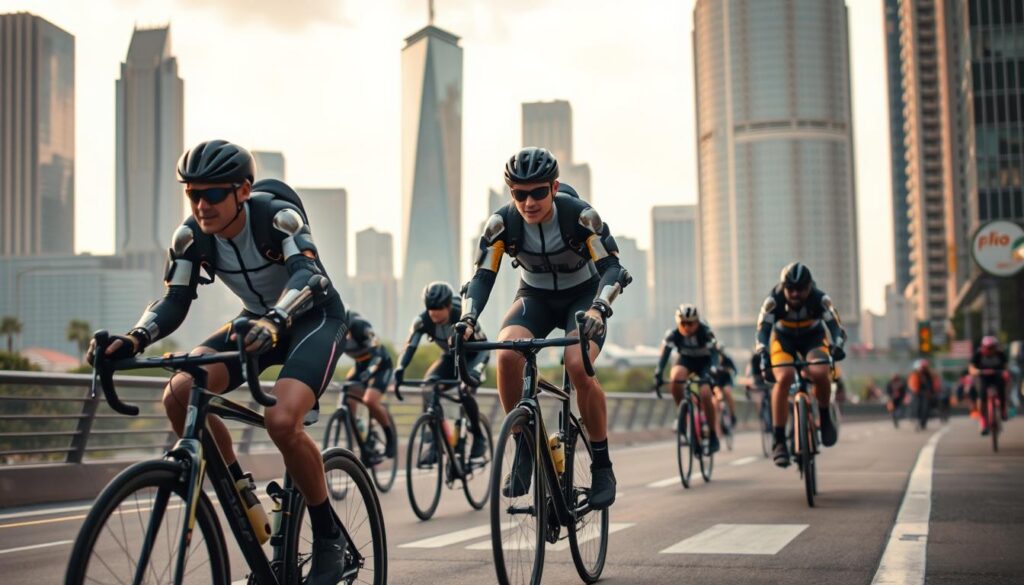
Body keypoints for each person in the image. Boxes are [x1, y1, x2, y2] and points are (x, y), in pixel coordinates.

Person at [87, 140, 350, 585]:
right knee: (179, 393)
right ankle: (239, 491)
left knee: (282, 421)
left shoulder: (278, 219)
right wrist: (135, 338)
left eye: (213, 194)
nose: (202, 204)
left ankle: (328, 535)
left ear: (243, 191)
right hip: (255, 323)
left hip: (313, 319)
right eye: (193, 194)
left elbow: (308, 275)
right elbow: (175, 300)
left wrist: (277, 318)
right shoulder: (191, 237)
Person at [459, 147, 631, 509]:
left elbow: (613, 270)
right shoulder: (501, 225)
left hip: (583, 298)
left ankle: (602, 465)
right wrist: (468, 319)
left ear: (554, 188)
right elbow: (481, 277)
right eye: (519, 194)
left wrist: (600, 308)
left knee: (576, 363)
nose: (529, 202)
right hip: (534, 297)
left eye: (538, 192)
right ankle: (524, 444)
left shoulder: (581, 218)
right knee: (508, 355)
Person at [754, 262, 847, 467]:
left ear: (810, 286)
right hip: (783, 340)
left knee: (820, 371)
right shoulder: (773, 301)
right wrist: (762, 353)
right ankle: (779, 440)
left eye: (801, 289)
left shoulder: (820, 300)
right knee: (784, 377)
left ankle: (824, 415)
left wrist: (838, 344)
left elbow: (835, 327)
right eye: (790, 289)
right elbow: (762, 332)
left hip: (813, 338)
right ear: (783, 287)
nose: (795, 294)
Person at [395, 282, 490, 462]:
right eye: (430, 309)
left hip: (474, 355)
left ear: (448, 306)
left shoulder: (461, 316)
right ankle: (434, 442)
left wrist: (475, 373)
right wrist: (400, 368)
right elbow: (409, 347)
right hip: (449, 355)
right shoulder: (422, 320)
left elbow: (483, 348)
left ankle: (478, 437)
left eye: (439, 308)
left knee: (464, 390)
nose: (434, 314)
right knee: (428, 386)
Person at [653, 304, 723, 453]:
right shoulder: (673, 334)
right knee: (676, 378)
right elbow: (664, 356)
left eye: (690, 323)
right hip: (686, 360)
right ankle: (682, 414)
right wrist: (658, 373)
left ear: (697, 322)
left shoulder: (706, 332)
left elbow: (715, 354)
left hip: (704, 363)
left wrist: (714, 368)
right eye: (683, 323)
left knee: (704, 393)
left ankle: (712, 435)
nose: (686, 327)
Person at [339, 311, 396, 461]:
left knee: (370, 400)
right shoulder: (335, 332)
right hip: (360, 365)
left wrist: (368, 373)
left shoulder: (361, 328)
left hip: (380, 364)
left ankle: (390, 439)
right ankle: (364, 443)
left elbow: (376, 353)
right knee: (348, 402)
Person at [968, 335, 1010, 435]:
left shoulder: (1000, 354)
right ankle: (983, 422)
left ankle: (1003, 410)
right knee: (982, 395)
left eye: (992, 347)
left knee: (1002, 391)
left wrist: (1005, 372)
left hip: (997, 375)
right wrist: (975, 371)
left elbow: (1006, 367)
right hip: (983, 376)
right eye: (987, 347)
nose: (990, 350)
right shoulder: (978, 354)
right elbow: (971, 367)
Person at [907, 359, 940, 430]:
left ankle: (923, 423)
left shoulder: (928, 375)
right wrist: (914, 391)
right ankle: (917, 421)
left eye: (924, 367)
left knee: (925, 409)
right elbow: (912, 385)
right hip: (916, 394)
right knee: (916, 407)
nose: (923, 369)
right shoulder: (914, 375)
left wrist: (932, 392)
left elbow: (932, 384)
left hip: (926, 394)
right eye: (922, 367)